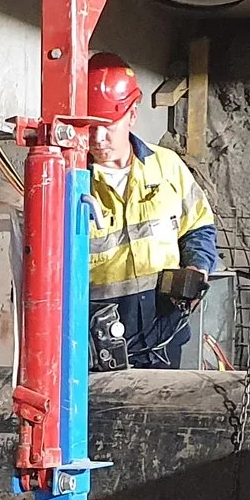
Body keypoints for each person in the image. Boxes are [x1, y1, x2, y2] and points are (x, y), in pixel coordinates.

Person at [81, 52, 221, 370]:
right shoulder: (71, 185)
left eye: (106, 125)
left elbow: (198, 227)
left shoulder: (166, 165)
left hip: (165, 332)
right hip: (99, 340)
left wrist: (198, 267)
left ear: (132, 114)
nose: (98, 137)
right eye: (89, 126)